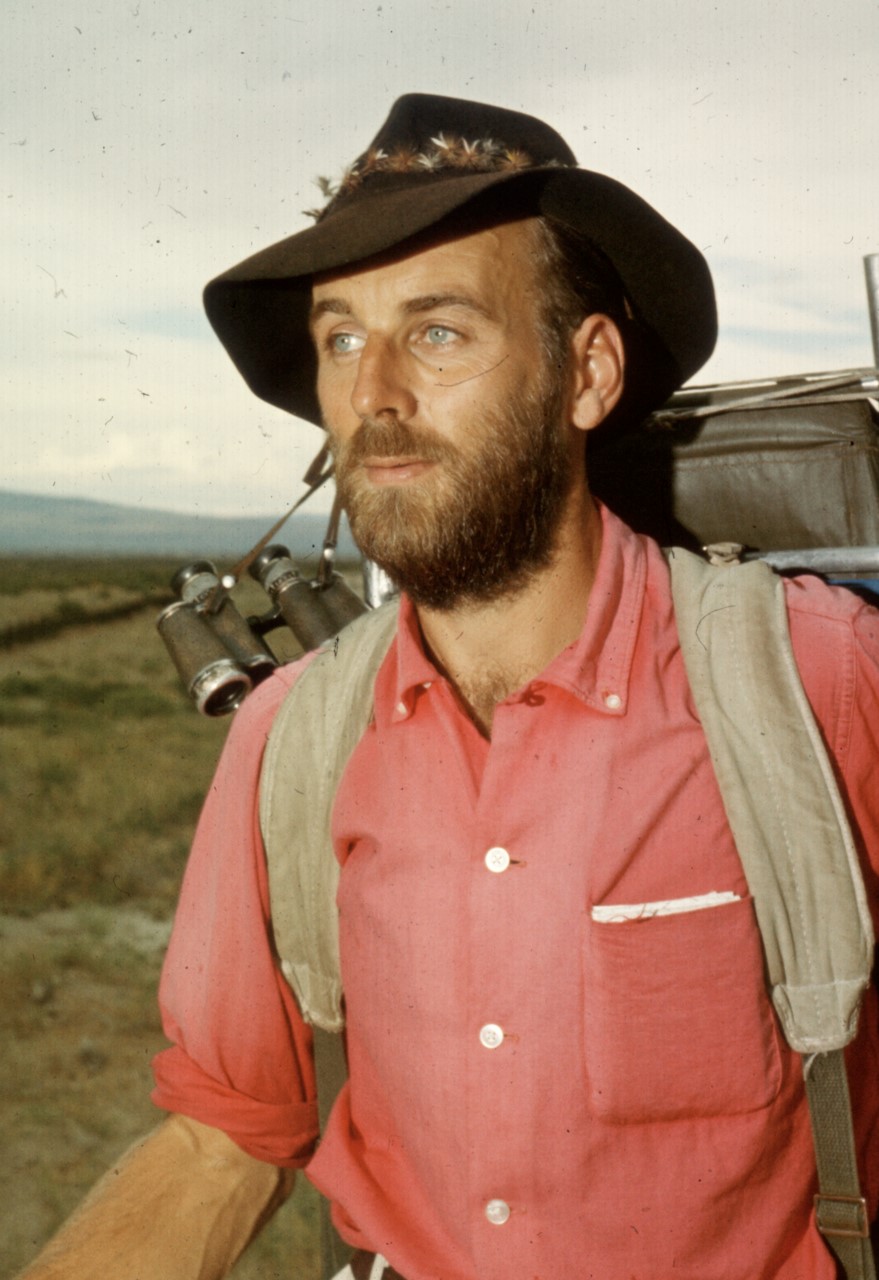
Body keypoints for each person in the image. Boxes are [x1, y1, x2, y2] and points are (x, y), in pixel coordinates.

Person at [18, 94, 879, 1280]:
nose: (372, 394)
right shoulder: (292, 737)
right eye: (340, 339)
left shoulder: (821, 684)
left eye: (436, 331)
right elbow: (224, 1137)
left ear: (587, 372)